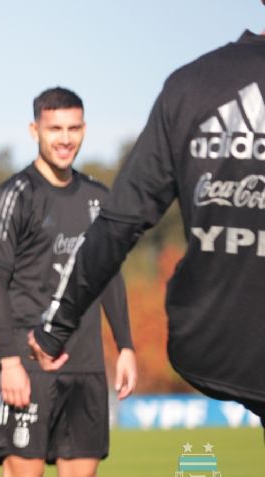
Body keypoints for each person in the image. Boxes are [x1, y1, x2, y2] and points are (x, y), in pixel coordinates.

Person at [28, 28, 265, 425]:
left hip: (215, 341)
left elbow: (119, 223)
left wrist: (55, 327)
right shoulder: (192, 89)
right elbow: (120, 221)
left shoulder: (192, 85)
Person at [0, 87, 137, 476]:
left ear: (84, 129)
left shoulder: (99, 198)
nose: (65, 139)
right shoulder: (13, 197)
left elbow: (109, 277)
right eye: (55, 129)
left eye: (74, 128)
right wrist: (9, 361)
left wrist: (126, 346)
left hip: (85, 367)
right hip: (27, 367)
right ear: (35, 130)